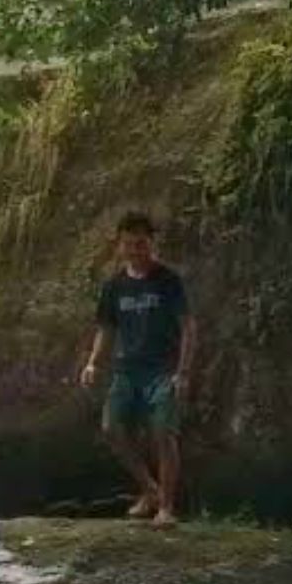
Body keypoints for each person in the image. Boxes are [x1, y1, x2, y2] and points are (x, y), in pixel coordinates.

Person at [80, 212, 196, 527]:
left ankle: (167, 507)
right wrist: (93, 363)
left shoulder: (168, 280)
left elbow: (188, 326)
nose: (136, 251)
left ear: (151, 244)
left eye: (141, 244)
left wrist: (183, 372)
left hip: (163, 369)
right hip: (126, 370)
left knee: (163, 432)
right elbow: (106, 329)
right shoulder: (114, 286)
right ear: (120, 245)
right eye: (129, 244)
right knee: (111, 427)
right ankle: (149, 489)